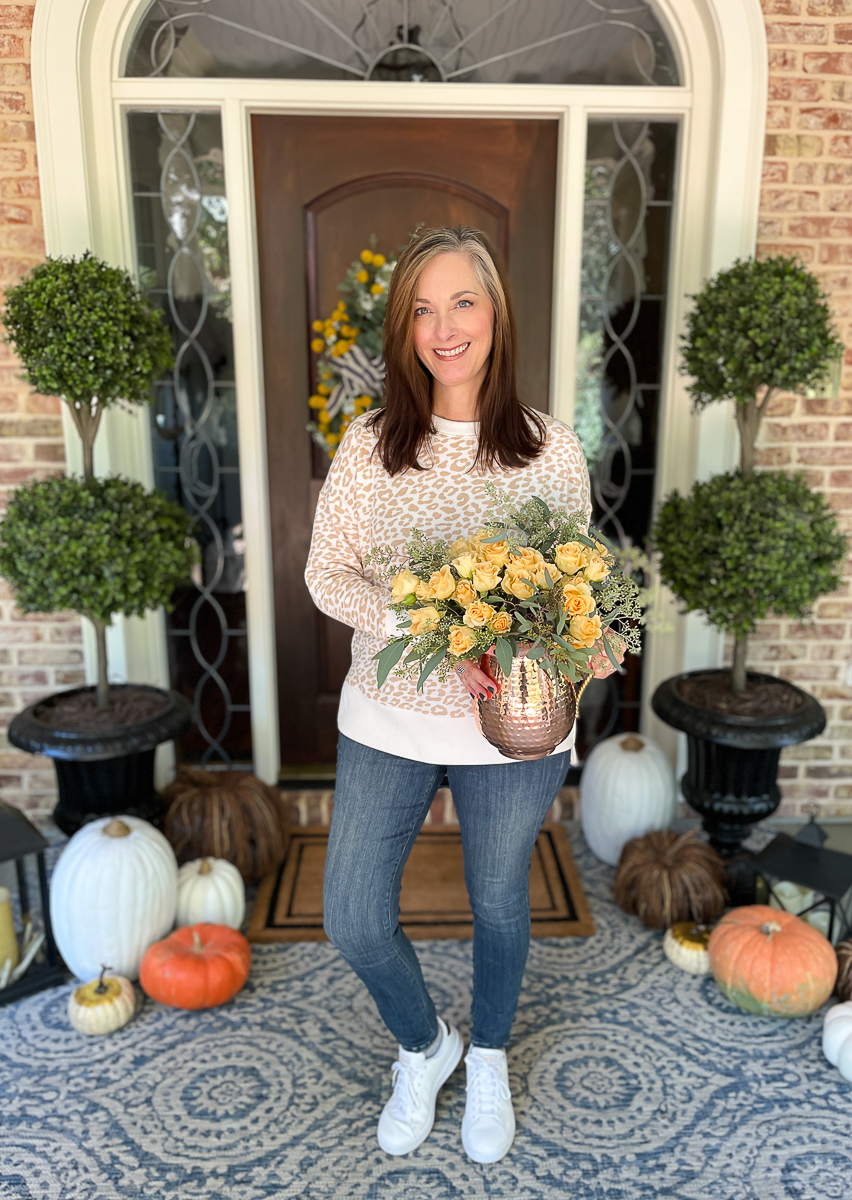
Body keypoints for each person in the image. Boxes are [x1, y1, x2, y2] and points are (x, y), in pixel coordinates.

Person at [305, 226, 615, 1164]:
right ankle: (423, 1046)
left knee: (499, 903)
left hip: (513, 722)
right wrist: (415, 621)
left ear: (495, 314)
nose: (444, 327)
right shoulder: (369, 449)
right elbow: (328, 575)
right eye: (423, 309)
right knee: (352, 914)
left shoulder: (549, 451)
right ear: (404, 330)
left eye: (463, 302)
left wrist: (585, 643)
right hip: (387, 717)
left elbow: (579, 586)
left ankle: (485, 1058)